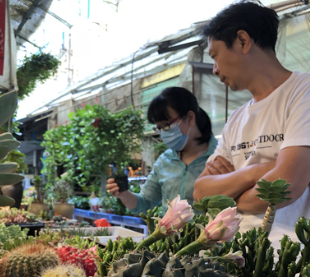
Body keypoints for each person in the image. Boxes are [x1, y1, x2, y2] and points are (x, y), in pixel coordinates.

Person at [193, 2, 310, 247]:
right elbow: (201, 192)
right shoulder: (235, 118)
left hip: (287, 264)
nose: (214, 69)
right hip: (233, 255)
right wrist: (255, 172)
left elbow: (287, 185)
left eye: (215, 56)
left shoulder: (303, 92)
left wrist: (229, 190)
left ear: (243, 41)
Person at [106, 87, 217, 215]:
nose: (163, 132)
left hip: (209, 235)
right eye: (159, 128)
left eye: (166, 125)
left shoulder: (220, 157)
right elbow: (146, 203)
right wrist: (124, 194)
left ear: (190, 118)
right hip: (170, 234)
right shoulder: (165, 161)